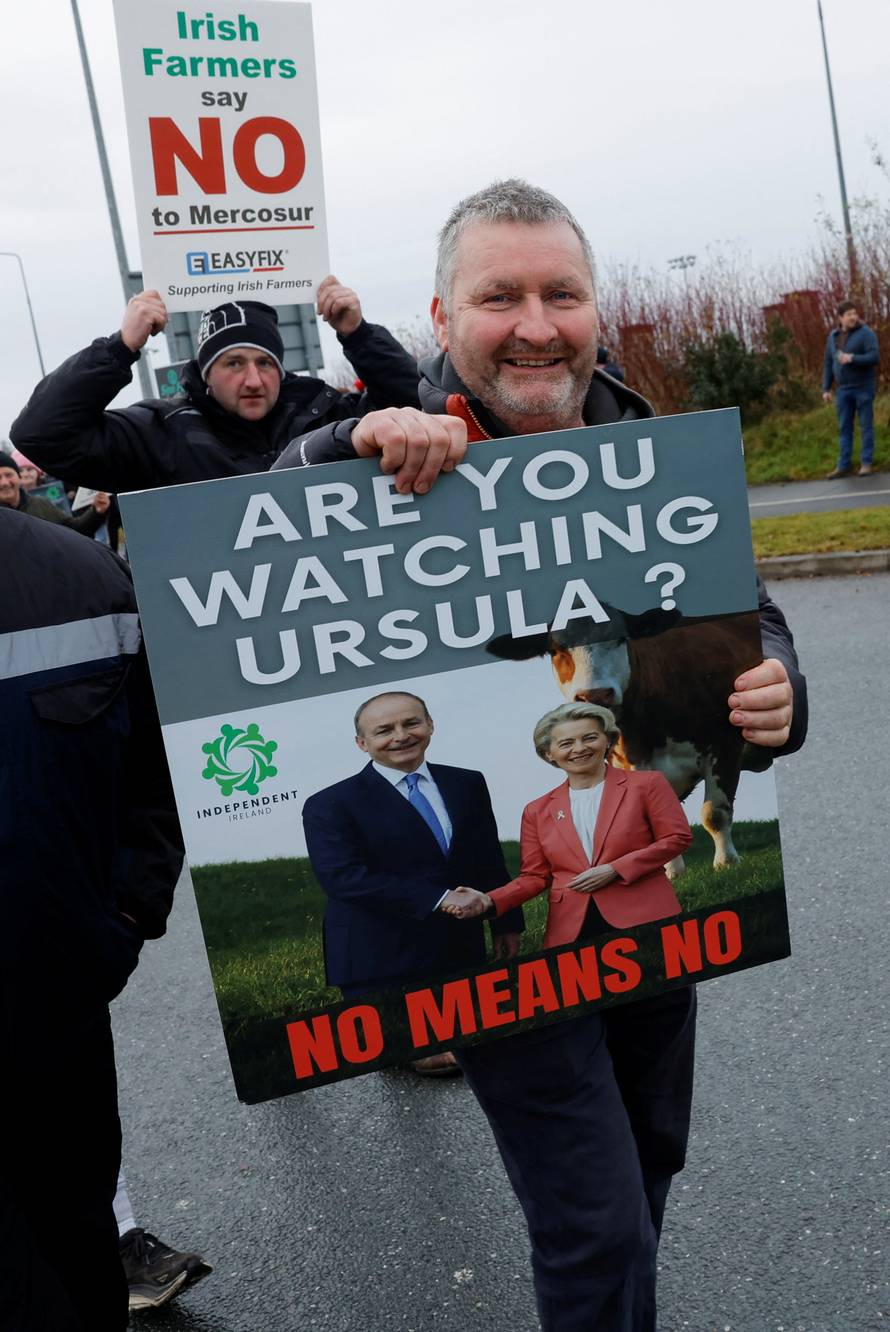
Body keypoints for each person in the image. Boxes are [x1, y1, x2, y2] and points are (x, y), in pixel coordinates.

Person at [276, 179, 808, 1331]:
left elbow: (748, 616)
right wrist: (340, 444)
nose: (533, 323)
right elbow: (250, 562)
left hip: (651, 893)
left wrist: (778, 686)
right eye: (497, 296)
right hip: (515, 925)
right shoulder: (379, 455)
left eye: (559, 293)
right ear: (439, 315)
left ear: (595, 310)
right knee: (593, 1221)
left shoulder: (648, 454)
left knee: (648, 1158)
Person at [0, 507, 185, 1331]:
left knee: (74, 1242)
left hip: (51, 997)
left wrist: (122, 913)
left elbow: (155, 766)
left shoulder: (81, 576)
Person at [10, 276, 423, 493]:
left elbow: (416, 406)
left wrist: (358, 334)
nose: (253, 379)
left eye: (265, 362)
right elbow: (41, 434)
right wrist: (120, 348)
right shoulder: (161, 432)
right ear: (205, 373)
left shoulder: (327, 411)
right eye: (233, 363)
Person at [302, 691, 523, 1075]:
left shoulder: (466, 782)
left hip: (458, 949)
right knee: (416, 1052)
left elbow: (487, 857)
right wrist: (440, 898)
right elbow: (344, 879)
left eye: (411, 723)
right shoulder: (329, 804)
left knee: (493, 1048)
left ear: (430, 725)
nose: (401, 735)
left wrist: (505, 920)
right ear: (362, 743)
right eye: (384, 730)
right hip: (379, 957)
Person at [446, 702, 692, 938]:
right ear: (549, 754)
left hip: (647, 914)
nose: (579, 748)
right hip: (573, 929)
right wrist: (489, 900)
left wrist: (615, 869)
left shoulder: (647, 784)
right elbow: (535, 877)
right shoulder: (537, 810)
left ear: (608, 740)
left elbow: (677, 837)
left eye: (589, 737)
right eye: (566, 743)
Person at [822, 299, 880, 478]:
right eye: (849, 315)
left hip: (863, 387)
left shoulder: (866, 333)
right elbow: (828, 362)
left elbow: (874, 356)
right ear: (840, 318)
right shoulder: (833, 337)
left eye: (855, 313)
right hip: (843, 390)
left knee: (865, 426)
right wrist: (826, 388)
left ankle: (866, 463)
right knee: (844, 427)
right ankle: (843, 465)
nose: (853, 317)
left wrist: (852, 358)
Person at [0, 449, 109, 535]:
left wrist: (96, 511)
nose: (4, 482)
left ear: (18, 477)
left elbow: (74, 530)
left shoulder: (40, 504)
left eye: (9, 475)